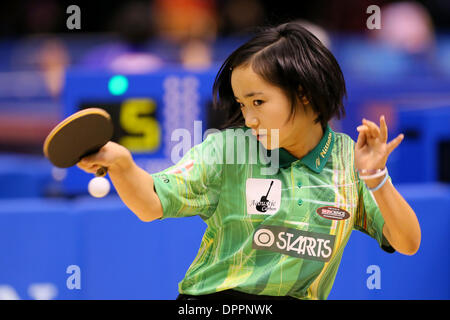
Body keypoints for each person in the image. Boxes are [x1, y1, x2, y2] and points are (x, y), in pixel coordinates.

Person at [77, 21, 421, 300]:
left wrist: (376, 177)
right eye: (242, 105)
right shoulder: (227, 150)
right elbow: (151, 203)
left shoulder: (349, 161)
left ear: (302, 93)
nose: (249, 117)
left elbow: (407, 243)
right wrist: (122, 165)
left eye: (258, 102)